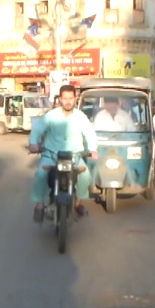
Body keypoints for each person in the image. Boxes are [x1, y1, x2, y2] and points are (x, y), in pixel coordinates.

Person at [27, 84, 98, 221]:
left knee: (85, 175)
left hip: (75, 157)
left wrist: (92, 149)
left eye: (70, 98)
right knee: (40, 173)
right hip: (51, 155)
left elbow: (89, 133)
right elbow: (37, 130)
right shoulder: (51, 116)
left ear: (75, 99)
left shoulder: (81, 117)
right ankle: (40, 204)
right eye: (64, 98)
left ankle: (78, 203)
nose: (68, 101)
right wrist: (33, 143)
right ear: (60, 99)